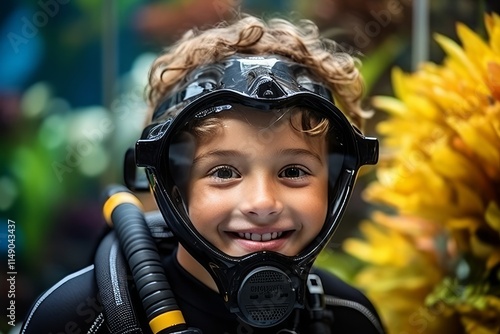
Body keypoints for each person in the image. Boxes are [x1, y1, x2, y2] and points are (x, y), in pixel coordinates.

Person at [20, 13, 384, 334]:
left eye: (293, 170)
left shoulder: (351, 317)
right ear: (173, 187)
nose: (262, 203)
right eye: (224, 172)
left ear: (334, 184)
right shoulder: (78, 317)